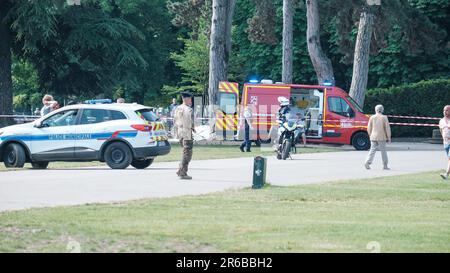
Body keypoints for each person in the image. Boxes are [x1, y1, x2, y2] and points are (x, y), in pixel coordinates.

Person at [173, 91, 195, 180]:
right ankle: (182, 171)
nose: (191, 101)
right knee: (187, 153)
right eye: (190, 99)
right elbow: (187, 122)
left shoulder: (178, 108)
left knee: (185, 152)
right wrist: (191, 128)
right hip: (186, 133)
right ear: (186, 99)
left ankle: (181, 170)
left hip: (180, 133)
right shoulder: (187, 109)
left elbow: (176, 121)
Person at [365, 104, 391, 170]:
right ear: (382, 110)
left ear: (375, 110)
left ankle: (367, 163)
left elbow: (369, 128)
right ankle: (385, 165)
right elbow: (387, 128)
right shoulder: (384, 117)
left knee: (372, 150)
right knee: (383, 151)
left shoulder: (372, 117)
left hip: (373, 136)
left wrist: (370, 135)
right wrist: (389, 137)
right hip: (382, 137)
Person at [439, 105, 450, 180]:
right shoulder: (441, 121)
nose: (445, 112)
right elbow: (441, 130)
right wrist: (443, 139)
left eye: (446, 110)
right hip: (446, 143)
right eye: (444, 110)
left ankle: (446, 174)